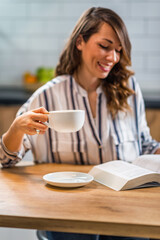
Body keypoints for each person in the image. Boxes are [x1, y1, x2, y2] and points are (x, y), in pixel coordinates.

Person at [0, 6, 160, 240]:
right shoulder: (47, 96)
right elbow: (4, 160)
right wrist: (15, 129)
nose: (112, 58)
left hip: (125, 212)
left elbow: (144, 144)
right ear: (80, 42)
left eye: (118, 50)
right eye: (104, 46)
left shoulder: (129, 90)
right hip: (65, 214)